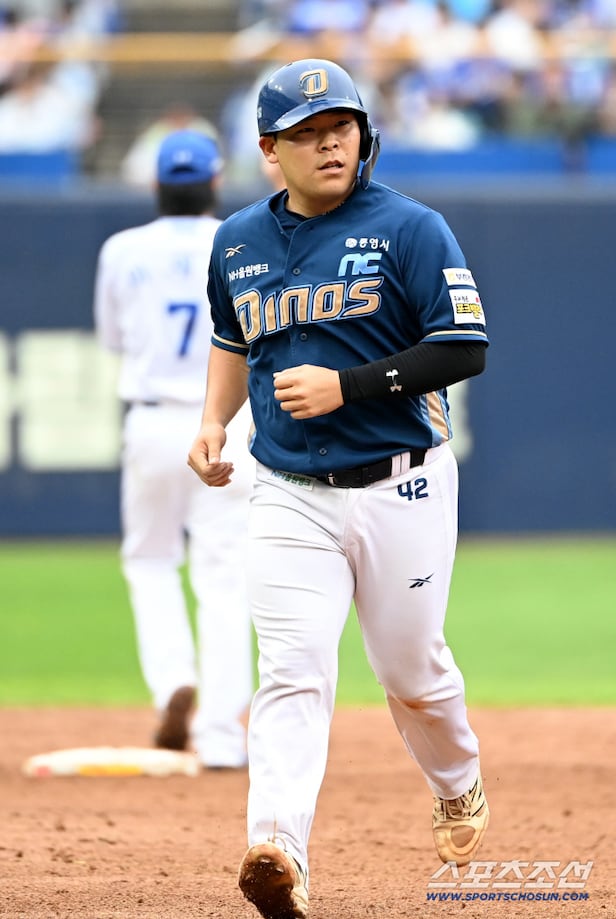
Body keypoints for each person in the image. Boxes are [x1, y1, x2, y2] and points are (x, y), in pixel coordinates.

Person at [188, 59, 490, 918]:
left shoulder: (410, 227)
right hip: (289, 488)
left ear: (364, 135)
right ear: (269, 150)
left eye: (342, 128)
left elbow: (464, 346)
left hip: (404, 482)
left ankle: (458, 780)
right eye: (308, 133)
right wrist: (213, 421)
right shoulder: (237, 240)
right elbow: (233, 337)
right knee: (291, 670)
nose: (329, 145)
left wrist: (349, 386)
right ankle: (278, 849)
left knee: (410, 670)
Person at [94, 130, 254, 770]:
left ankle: (172, 683)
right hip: (227, 420)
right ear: (215, 181)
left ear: (156, 184)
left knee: (151, 560)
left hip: (154, 419)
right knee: (224, 576)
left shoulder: (122, 249)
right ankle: (220, 736)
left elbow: (113, 339)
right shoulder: (240, 240)